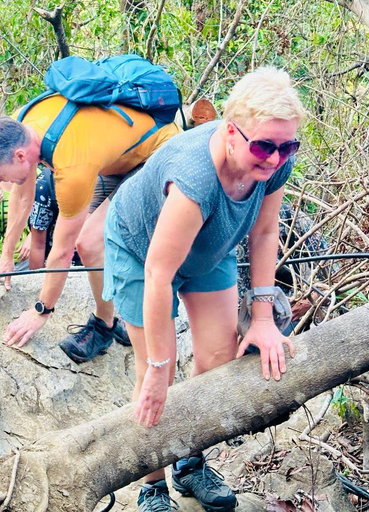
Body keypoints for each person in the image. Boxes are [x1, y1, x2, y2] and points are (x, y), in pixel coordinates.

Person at [101, 67, 305, 511]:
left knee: (216, 360)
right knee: (155, 373)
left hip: (211, 245)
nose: (275, 158)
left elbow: (265, 232)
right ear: (231, 132)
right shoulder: (195, 176)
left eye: (287, 146)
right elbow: (158, 273)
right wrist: (160, 366)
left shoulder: (275, 160)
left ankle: (189, 462)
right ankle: (152, 485)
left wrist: (263, 317)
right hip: (140, 248)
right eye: (263, 146)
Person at [0, 94, 179, 361]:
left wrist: (41, 310)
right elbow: (21, 195)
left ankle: (105, 325)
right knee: (92, 240)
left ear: (19, 156)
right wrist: (6, 258)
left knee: (89, 243)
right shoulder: (19, 126)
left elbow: (63, 250)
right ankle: (112, 319)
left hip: (159, 154)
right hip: (117, 157)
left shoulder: (71, 164)